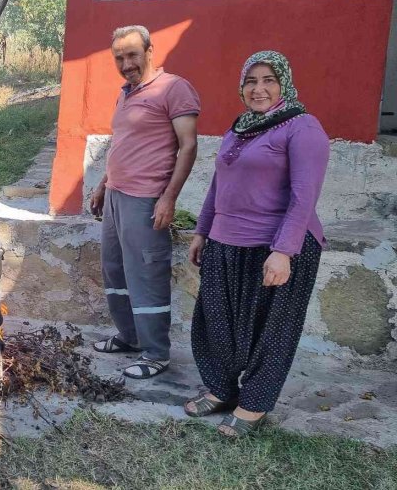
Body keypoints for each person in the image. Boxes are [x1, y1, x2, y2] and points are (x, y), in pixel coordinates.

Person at [184, 50, 329, 437]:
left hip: (276, 246)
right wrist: (202, 230)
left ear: (284, 83)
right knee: (217, 324)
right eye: (251, 80)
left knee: (271, 331)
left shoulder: (303, 127)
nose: (258, 89)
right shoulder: (240, 128)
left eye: (269, 80)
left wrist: (283, 251)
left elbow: (305, 196)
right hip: (225, 242)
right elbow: (219, 185)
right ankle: (221, 389)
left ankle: (254, 404)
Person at [90, 25, 199, 379]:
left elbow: (188, 145)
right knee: (116, 269)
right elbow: (123, 143)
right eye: (119, 58)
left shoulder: (174, 88)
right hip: (116, 196)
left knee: (146, 274)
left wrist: (169, 198)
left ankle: (156, 353)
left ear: (151, 51)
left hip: (146, 199)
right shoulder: (126, 93)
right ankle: (131, 337)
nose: (126, 64)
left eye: (132, 55)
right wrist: (103, 184)